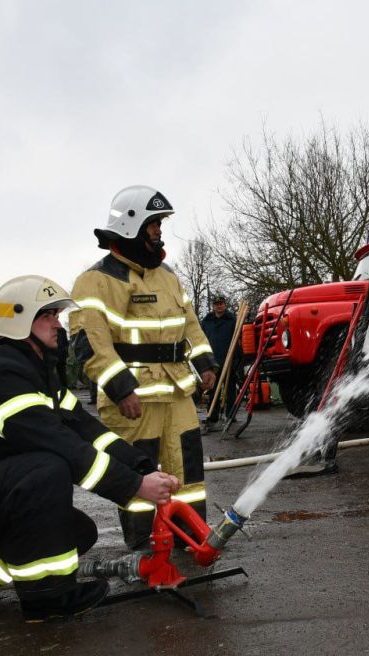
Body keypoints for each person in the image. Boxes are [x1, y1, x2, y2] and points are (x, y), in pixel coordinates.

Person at [0, 276, 179, 622]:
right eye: (48, 316)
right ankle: (47, 600)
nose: (58, 324)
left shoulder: (36, 372)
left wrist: (142, 467)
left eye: (57, 315)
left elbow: (85, 429)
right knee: (48, 467)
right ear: (19, 321)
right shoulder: (2, 373)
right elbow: (60, 444)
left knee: (75, 533)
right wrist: (134, 488)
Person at [69, 186, 218, 549]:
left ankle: (191, 539)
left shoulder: (167, 276)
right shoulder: (97, 280)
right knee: (140, 476)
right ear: (130, 225)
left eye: (159, 223)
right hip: (132, 399)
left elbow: (191, 323)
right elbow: (89, 341)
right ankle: (145, 549)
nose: (158, 230)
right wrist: (119, 388)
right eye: (153, 223)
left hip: (176, 392)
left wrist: (205, 363)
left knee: (188, 473)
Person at [200, 294, 238, 420]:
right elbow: (202, 339)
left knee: (230, 389)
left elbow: (238, 340)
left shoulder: (232, 320)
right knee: (213, 389)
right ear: (213, 306)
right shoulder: (207, 321)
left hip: (229, 359)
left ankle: (231, 415)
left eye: (221, 303)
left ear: (224, 305)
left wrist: (236, 359)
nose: (219, 306)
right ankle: (213, 415)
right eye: (217, 304)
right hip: (213, 360)